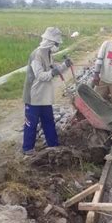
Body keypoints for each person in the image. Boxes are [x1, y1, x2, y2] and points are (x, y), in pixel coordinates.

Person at [22, 27, 72, 155]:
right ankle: (28, 149)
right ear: (50, 42)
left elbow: (52, 68)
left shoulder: (48, 53)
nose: (57, 46)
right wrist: (54, 72)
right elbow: (40, 75)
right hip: (33, 95)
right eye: (56, 43)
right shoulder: (36, 55)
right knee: (31, 123)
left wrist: (64, 65)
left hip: (44, 95)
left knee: (48, 121)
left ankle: (53, 145)